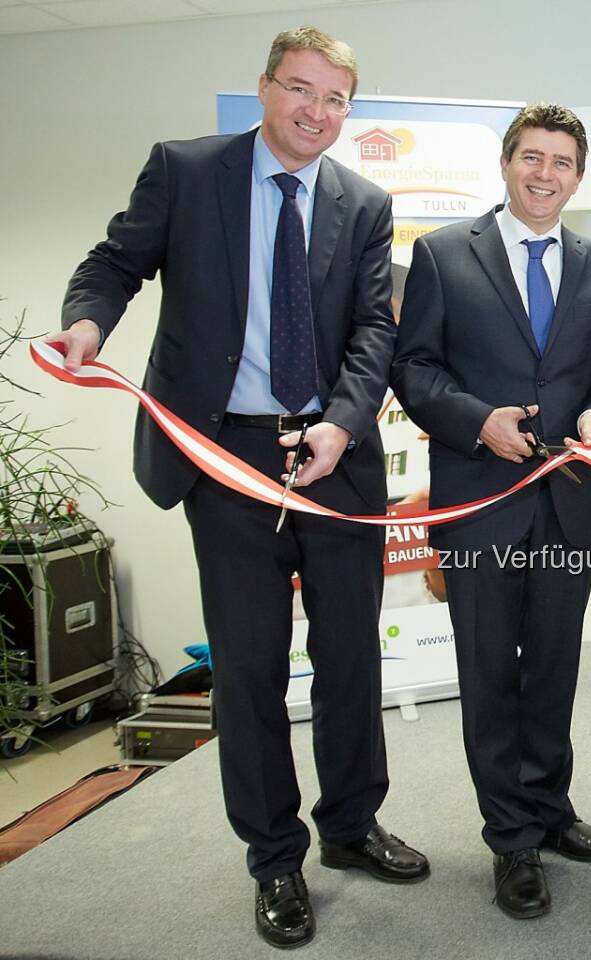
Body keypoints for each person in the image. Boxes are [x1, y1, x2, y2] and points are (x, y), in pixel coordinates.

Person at [54, 26, 429, 950]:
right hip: (224, 457)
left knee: (350, 658)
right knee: (252, 670)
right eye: (300, 90)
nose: (316, 111)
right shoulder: (186, 172)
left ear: (349, 110)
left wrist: (343, 423)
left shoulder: (366, 200)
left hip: (334, 458)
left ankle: (348, 826)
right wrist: (85, 324)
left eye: (335, 98)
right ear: (265, 89)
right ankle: (275, 859)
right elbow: (114, 264)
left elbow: (373, 339)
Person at [390, 103, 591, 921]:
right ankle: (510, 839)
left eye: (562, 163)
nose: (545, 174)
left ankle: (550, 809)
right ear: (505, 163)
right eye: (532, 157)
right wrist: (477, 421)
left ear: (579, 177)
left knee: (553, 668)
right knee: (490, 671)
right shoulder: (441, 254)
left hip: (569, 503)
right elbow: (414, 370)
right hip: (479, 501)